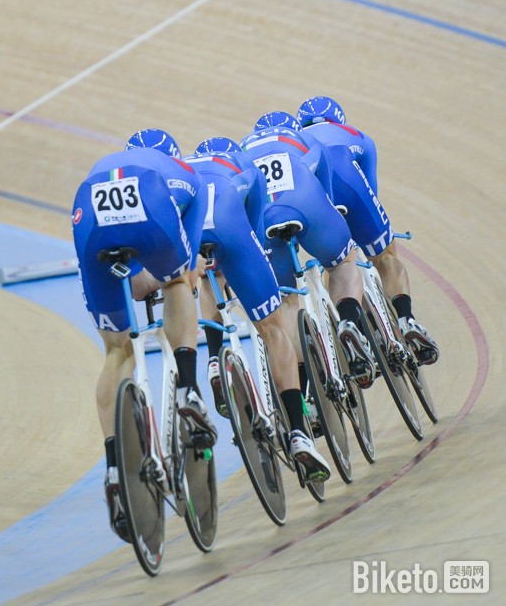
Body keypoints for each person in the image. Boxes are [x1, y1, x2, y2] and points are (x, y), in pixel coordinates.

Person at [71, 132, 215, 542]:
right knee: (176, 283)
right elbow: (184, 269)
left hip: (88, 213)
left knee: (117, 351)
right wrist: (182, 276)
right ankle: (187, 387)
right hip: (151, 209)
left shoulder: (105, 164)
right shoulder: (186, 174)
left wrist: (139, 276)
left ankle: (115, 465)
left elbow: (133, 286)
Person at [187, 135, 329, 481]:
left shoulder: (181, 172)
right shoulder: (241, 164)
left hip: (191, 240)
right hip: (234, 231)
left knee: (207, 279)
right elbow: (254, 223)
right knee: (272, 328)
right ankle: (298, 431)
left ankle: (214, 359)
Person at [295, 97, 439, 365]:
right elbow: (371, 190)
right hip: (353, 190)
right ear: (339, 119)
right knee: (385, 257)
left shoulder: (295, 141)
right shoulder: (358, 136)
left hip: (313, 200)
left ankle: (351, 325)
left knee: (338, 265)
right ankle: (407, 319)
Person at [236, 124, 377, 397]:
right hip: (307, 202)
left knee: (288, 298)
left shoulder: (242, 152)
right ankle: (348, 322)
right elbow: (325, 186)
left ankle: (306, 384)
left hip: (265, 222)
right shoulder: (302, 138)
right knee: (341, 262)